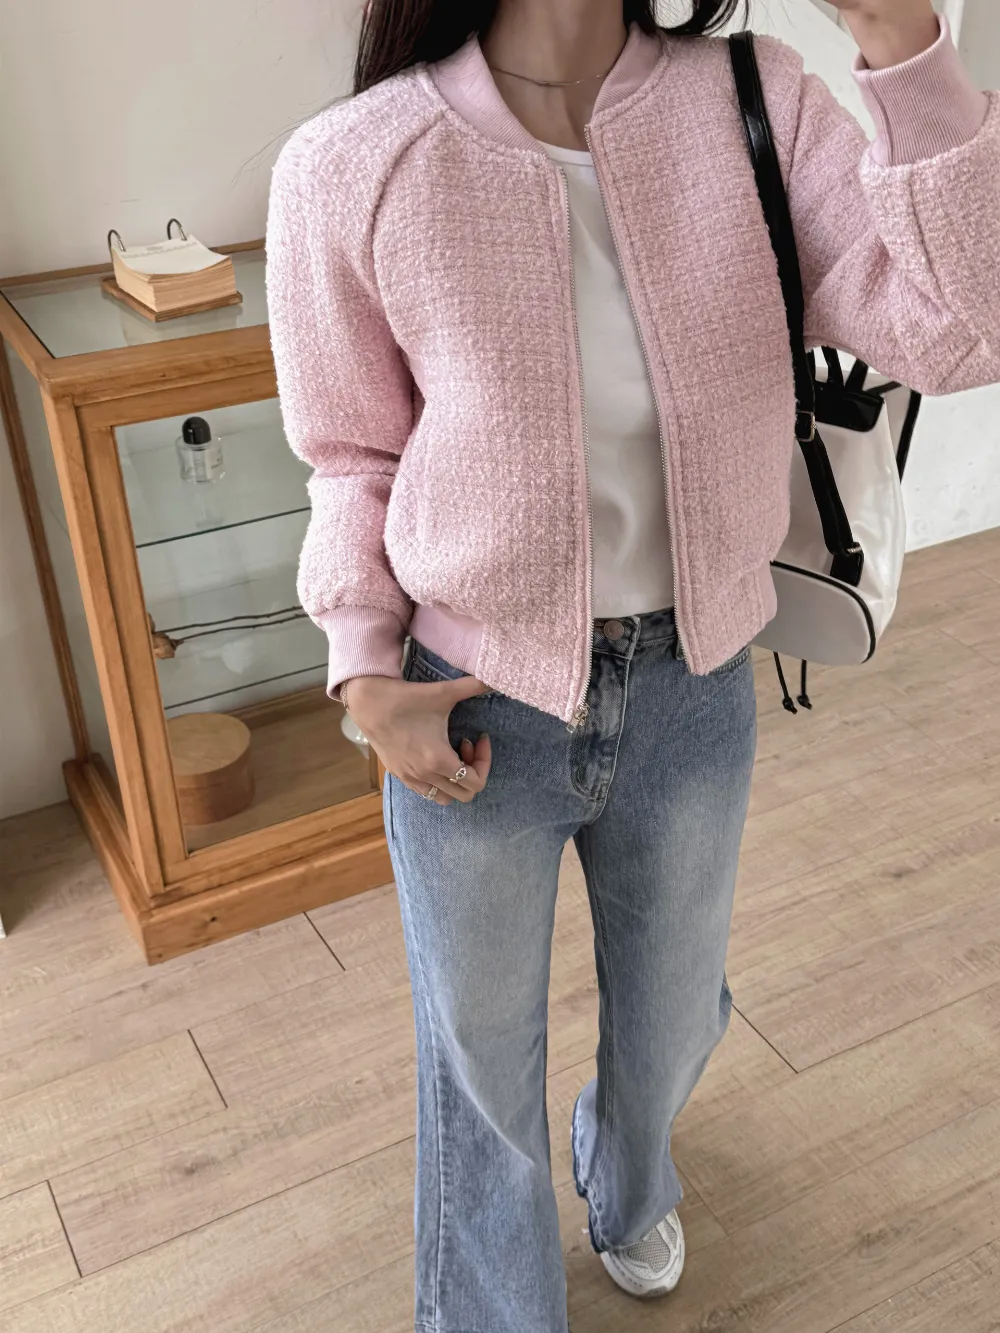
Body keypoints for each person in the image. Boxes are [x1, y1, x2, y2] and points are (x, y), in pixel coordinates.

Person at [266, 1, 1000, 1328]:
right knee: (479, 1055)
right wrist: (363, 673)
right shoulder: (356, 158)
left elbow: (968, 327)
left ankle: (630, 1171)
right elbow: (351, 453)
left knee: (671, 1015)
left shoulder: (758, 101)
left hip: (693, 685)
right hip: (470, 703)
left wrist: (906, 44)